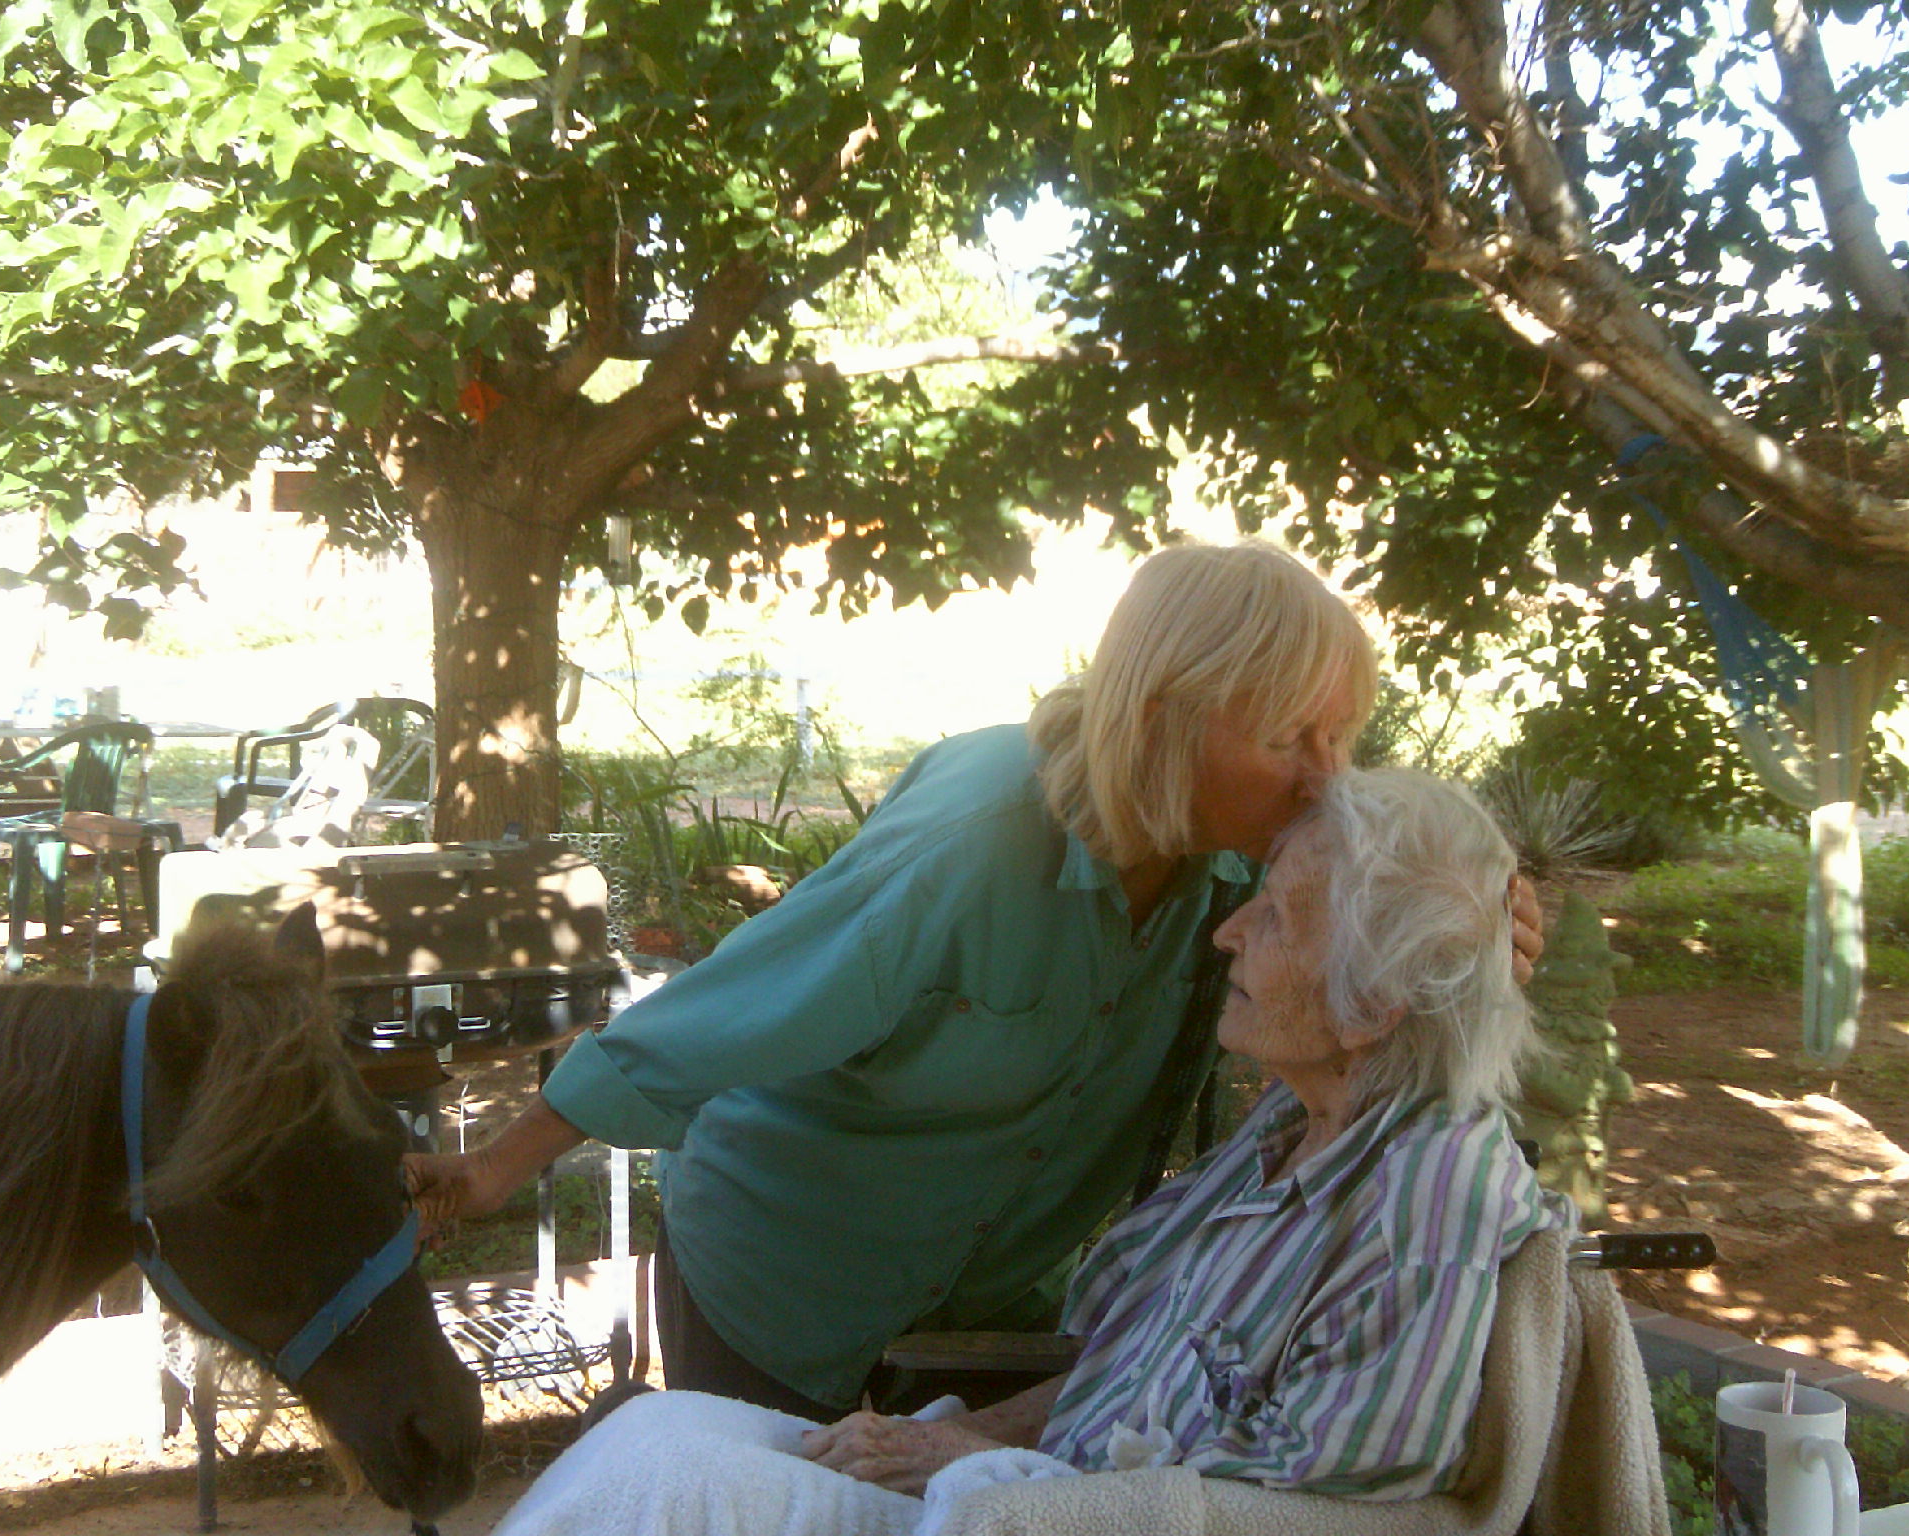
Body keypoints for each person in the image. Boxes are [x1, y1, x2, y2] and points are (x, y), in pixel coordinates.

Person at [407, 541, 1543, 1419]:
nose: (1325, 779)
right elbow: (729, 1010)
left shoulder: (1245, 865)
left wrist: (1469, 933)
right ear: (1166, 718)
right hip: (781, 1290)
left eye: (1341, 738)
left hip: (994, 1309)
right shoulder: (977, 836)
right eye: (1293, 738)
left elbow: (1373, 972)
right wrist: (494, 1166)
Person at [486, 766, 1571, 1536]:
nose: (1228, 930)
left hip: (1039, 1516)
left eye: (1277, 917)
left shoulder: (1428, 1194)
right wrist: (953, 1442)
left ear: (1374, 1003)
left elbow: (1329, 1505)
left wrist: (1002, 1475)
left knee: (662, 1496)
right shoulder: (1292, 1134)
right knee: (651, 1442)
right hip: (1010, 1486)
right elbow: (1135, 1364)